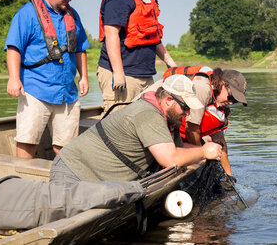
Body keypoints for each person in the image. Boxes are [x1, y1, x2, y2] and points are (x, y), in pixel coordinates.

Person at [49, 75, 223, 185]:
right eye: (185, 107)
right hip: (75, 174)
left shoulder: (170, 119)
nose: (188, 113)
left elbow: (177, 152)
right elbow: (171, 159)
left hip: (96, 178)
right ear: (169, 100)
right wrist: (203, 151)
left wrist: (208, 151)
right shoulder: (149, 114)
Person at [5, 0, 90, 159]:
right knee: (27, 143)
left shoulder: (72, 15)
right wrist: (13, 78)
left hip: (67, 93)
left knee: (66, 149)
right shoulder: (26, 14)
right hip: (35, 90)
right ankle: (24, 183)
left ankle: (64, 185)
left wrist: (83, 76)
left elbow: (80, 48)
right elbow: (13, 47)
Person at [97, 0, 177, 115]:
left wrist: (171, 63)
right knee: (120, 125)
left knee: (145, 122)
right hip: (124, 76)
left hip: (144, 75)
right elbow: (111, 33)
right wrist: (118, 72)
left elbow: (153, 37)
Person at [135, 66, 247, 180]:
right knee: (200, 158)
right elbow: (191, 128)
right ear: (223, 84)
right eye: (231, 97)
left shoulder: (219, 100)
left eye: (236, 101)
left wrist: (229, 176)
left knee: (210, 145)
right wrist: (203, 156)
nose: (231, 103)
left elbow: (219, 138)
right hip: (148, 112)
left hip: (171, 120)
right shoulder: (203, 88)